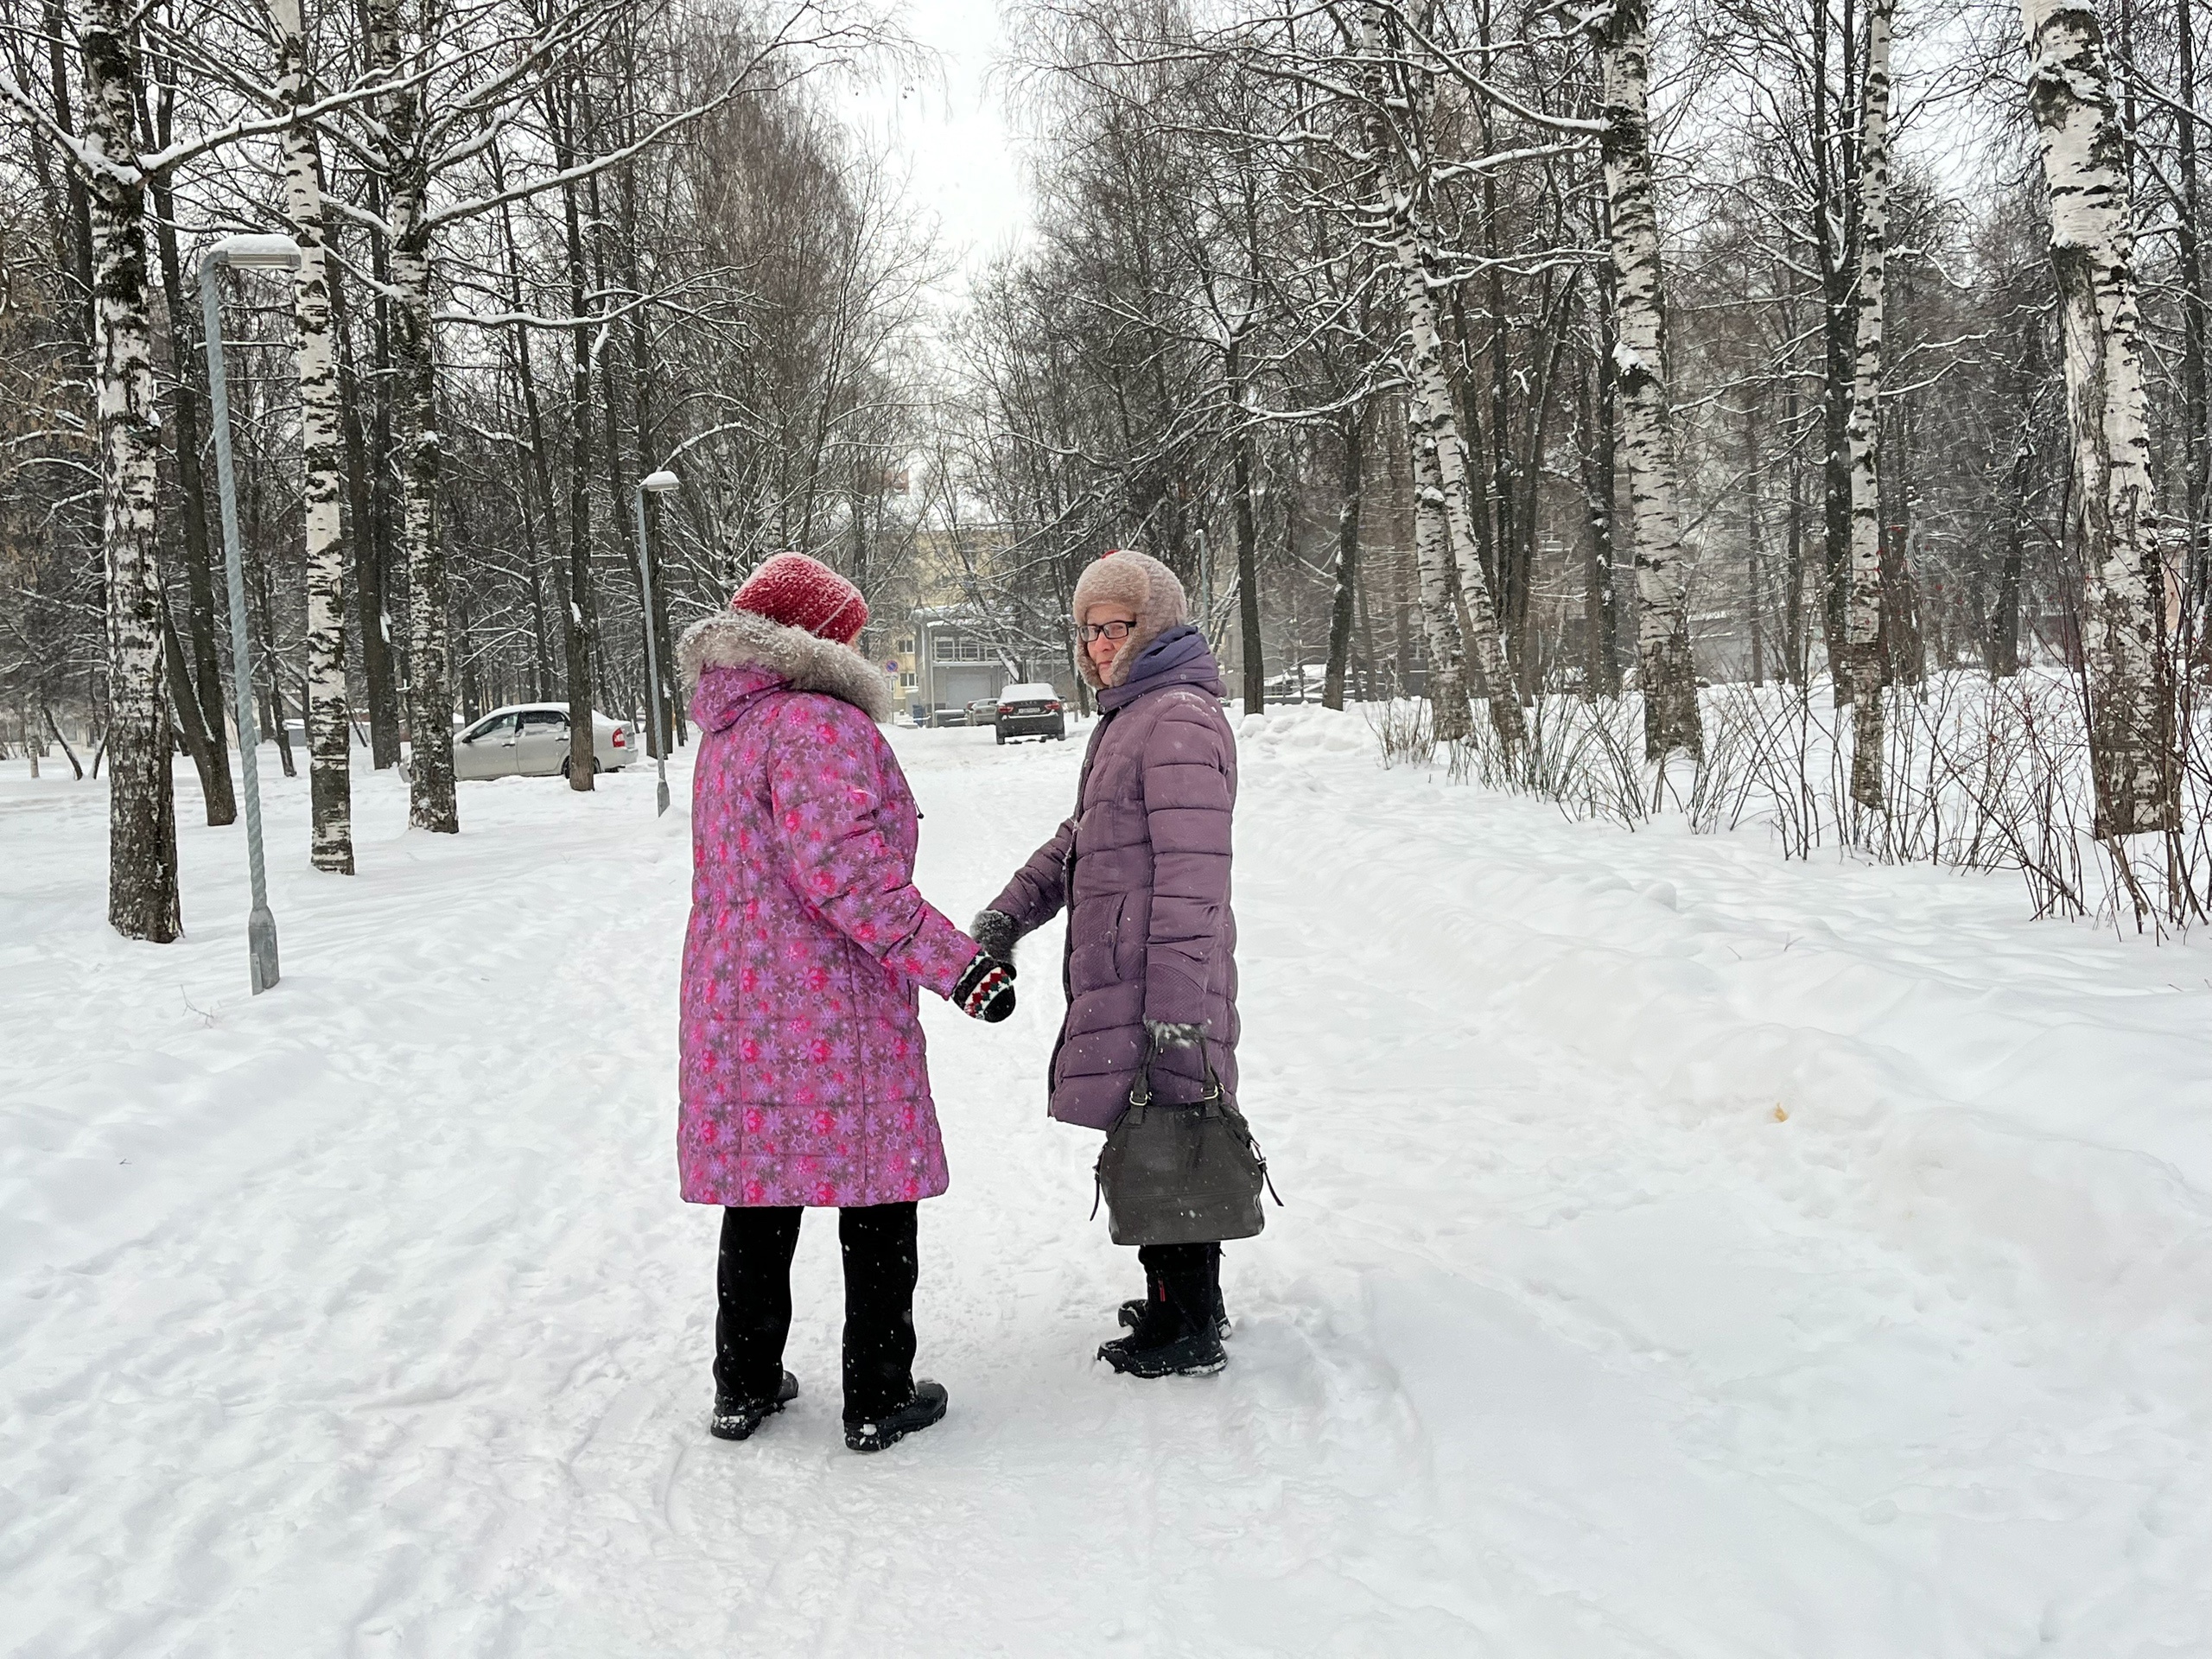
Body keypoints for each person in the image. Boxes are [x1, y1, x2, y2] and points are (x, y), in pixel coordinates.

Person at [676, 552, 1015, 1453]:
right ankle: (878, 1391)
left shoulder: (726, 734)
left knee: (761, 1190)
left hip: (734, 1006)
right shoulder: (817, 726)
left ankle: (742, 1384)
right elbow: (851, 878)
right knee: (876, 1196)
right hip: (831, 1009)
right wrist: (960, 967)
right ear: (821, 639)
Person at [972, 548, 1240, 1379]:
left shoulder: (1179, 719)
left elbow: (1197, 878)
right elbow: (1082, 842)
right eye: (1087, 630)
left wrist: (1173, 1004)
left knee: (1171, 1127)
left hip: (1164, 975)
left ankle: (1186, 1325)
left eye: (1112, 627)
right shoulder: (1132, 717)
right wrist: (1007, 914)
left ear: (1151, 624)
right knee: (1156, 1125)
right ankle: (1188, 1301)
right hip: (1133, 969)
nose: (1095, 645)